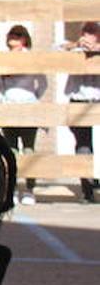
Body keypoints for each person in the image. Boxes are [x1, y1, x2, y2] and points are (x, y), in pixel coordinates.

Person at [0, 24, 46, 205]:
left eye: (17, 35)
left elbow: (42, 82)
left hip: (28, 106)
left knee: (28, 149)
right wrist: (4, 98)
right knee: (11, 149)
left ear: (24, 39)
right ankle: (13, 189)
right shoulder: (3, 58)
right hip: (9, 106)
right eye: (11, 35)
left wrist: (33, 99)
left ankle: (30, 189)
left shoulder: (31, 57)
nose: (13, 38)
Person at [61, 21, 100, 203]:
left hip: (98, 101)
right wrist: (76, 45)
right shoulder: (75, 51)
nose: (88, 36)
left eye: (92, 32)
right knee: (83, 145)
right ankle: (87, 189)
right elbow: (57, 49)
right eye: (85, 32)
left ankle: (95, 182)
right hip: (79, 101)